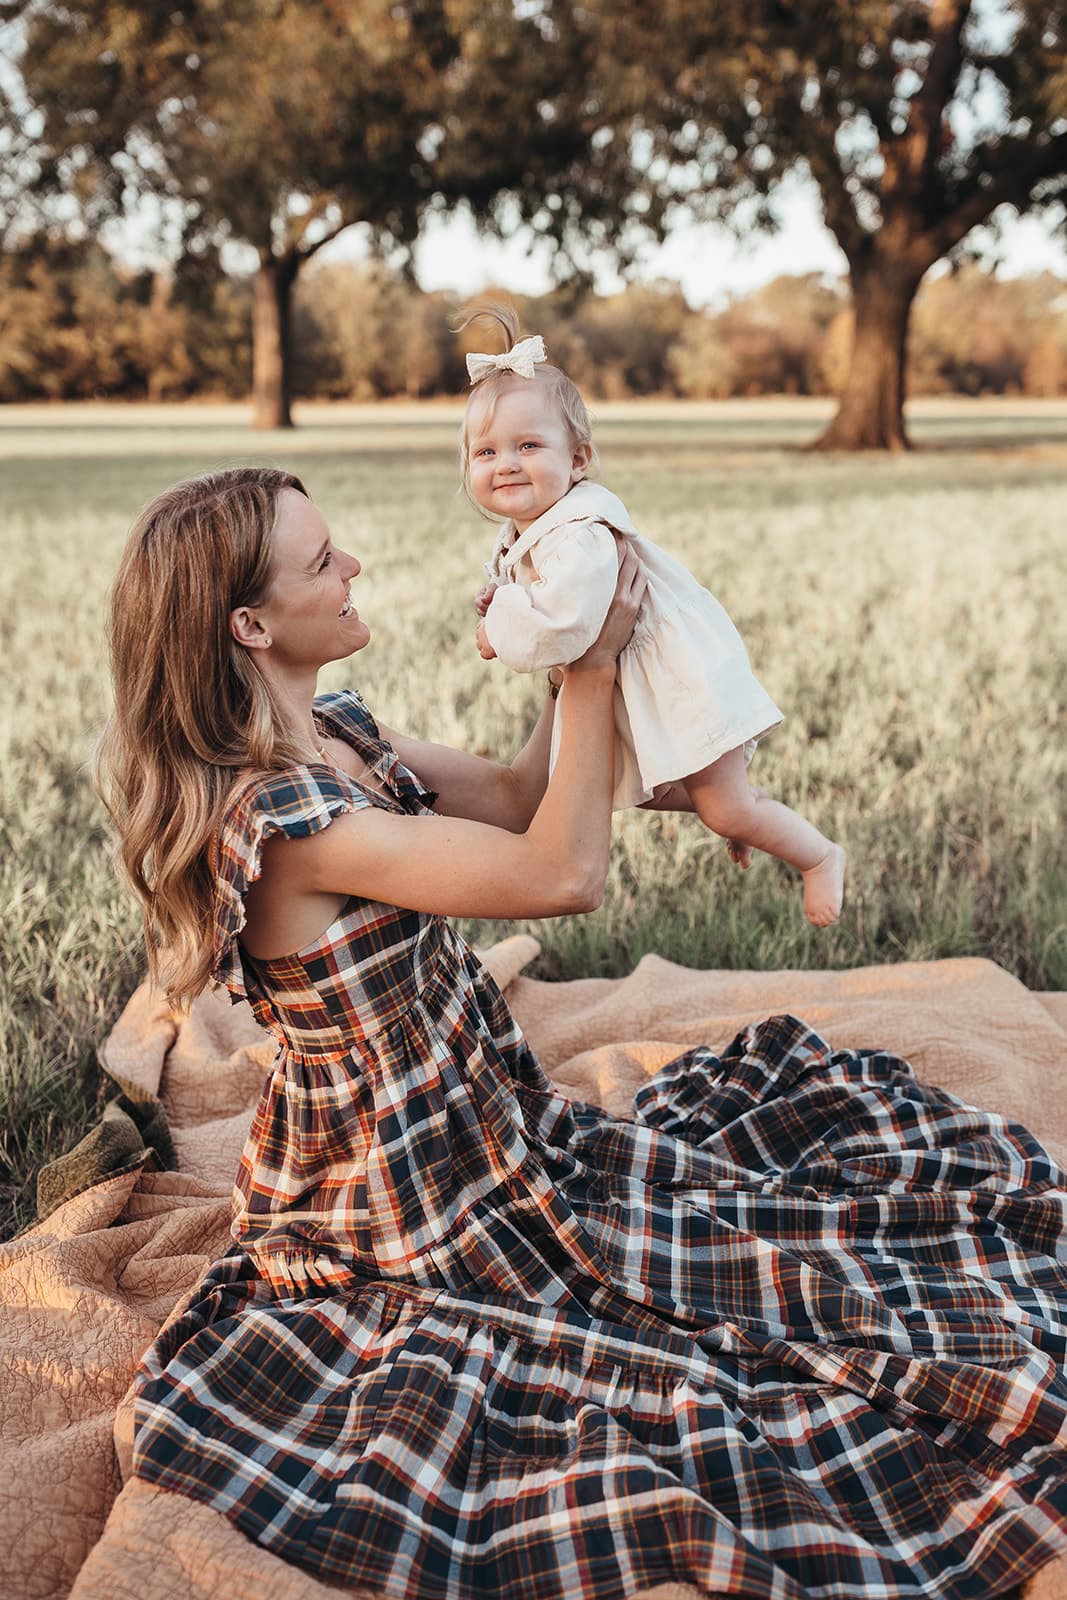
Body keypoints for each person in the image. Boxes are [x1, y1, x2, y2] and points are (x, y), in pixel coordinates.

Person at [95, 467, 1067, 1600]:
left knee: (778, 1216)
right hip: (399, 1185)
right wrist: (595, 663)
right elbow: (558, 870)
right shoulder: (281, 818)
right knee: (686, 1361)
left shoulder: (339, 734)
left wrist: (566, 630)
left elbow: (515, 797)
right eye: (321, 562)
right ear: (250, 624)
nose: (353, 564)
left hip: (489, 1114)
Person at [462, 306, 847, 927]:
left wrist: (494, 631)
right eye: (486, 452)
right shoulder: (536, 527)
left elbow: (565, 622)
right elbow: (537, 594)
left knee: (720, 808)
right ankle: (748, 808)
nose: (505, 463)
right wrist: (505, 597)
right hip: (639, 687)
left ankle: (819, 856)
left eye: (528, 445)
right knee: (651, 789)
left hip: (675, 677)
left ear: (578, 459)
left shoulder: (580, 531)